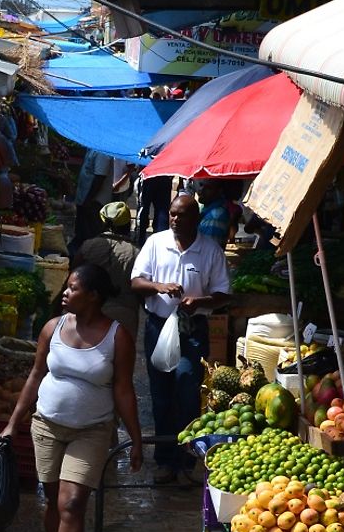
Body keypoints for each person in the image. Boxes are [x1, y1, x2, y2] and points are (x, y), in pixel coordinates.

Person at [1, 263, 143, 532]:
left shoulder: (117, 336)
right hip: (46, 425)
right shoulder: (52, 328)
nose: (65, 293)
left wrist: (136, 440)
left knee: (73, 501)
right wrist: (13, 421)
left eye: (73, 288)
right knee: (53, 499)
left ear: (92, 296)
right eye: (66, 288)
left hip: (93, 430)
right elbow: (35, 376)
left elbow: (124, 390)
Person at [131, 194, 230, 486]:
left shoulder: (210, 250)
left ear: (195, 219)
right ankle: (164, 460)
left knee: (187, 389)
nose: (174, 220)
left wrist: (198, 301)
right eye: (172, 214)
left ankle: (185, 460)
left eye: (181, 215)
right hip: (158, 326)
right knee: (160, 395)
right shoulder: (155, 242)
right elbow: (136, 282)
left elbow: (224, 295)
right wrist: (158, 286)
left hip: (192, 328)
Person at [75, 201, 141, 339]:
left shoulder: (88, 246)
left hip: (89, 311)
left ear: (104, 224)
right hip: (124, 317)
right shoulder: (136, 253)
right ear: (128, 225)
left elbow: (73, 276)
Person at [197, 180, 235, 249]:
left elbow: (209, 251)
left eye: (208, 188)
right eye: (201, 185)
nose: (201, 190)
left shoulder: (215, 217)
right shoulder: (206, 209)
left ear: (219, 191)